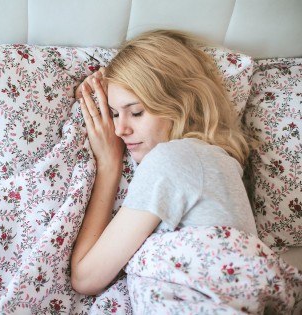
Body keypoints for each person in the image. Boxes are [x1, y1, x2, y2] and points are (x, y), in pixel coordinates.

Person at [70, 29, 257, 296]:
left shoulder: (174, 158)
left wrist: (108, 165)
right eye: (113, 114)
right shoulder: (216, 161)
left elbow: (85, 278)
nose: (119, 129)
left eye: (136, 112)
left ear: (179, 103)